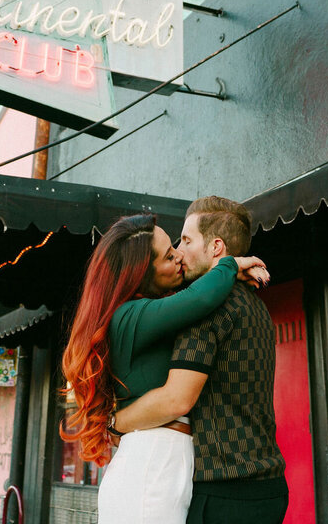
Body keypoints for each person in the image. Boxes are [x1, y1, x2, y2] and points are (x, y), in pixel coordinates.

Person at [60, 214, 268, 523]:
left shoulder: (147, 313)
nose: (179, 256)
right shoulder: (129, 316)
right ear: (141, 275)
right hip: (150, 467)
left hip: (161, 460)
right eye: (169, 256)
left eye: (176, 247)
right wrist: (229, 265)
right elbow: (201, 298)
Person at [114, 196, 288, 524]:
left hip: (226, 490)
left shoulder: (205, 310)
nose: (179, 251)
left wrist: (115, 422)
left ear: (216, 247)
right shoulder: (256, 306)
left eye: (187, 240)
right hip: (269, 485)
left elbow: (177, 399)